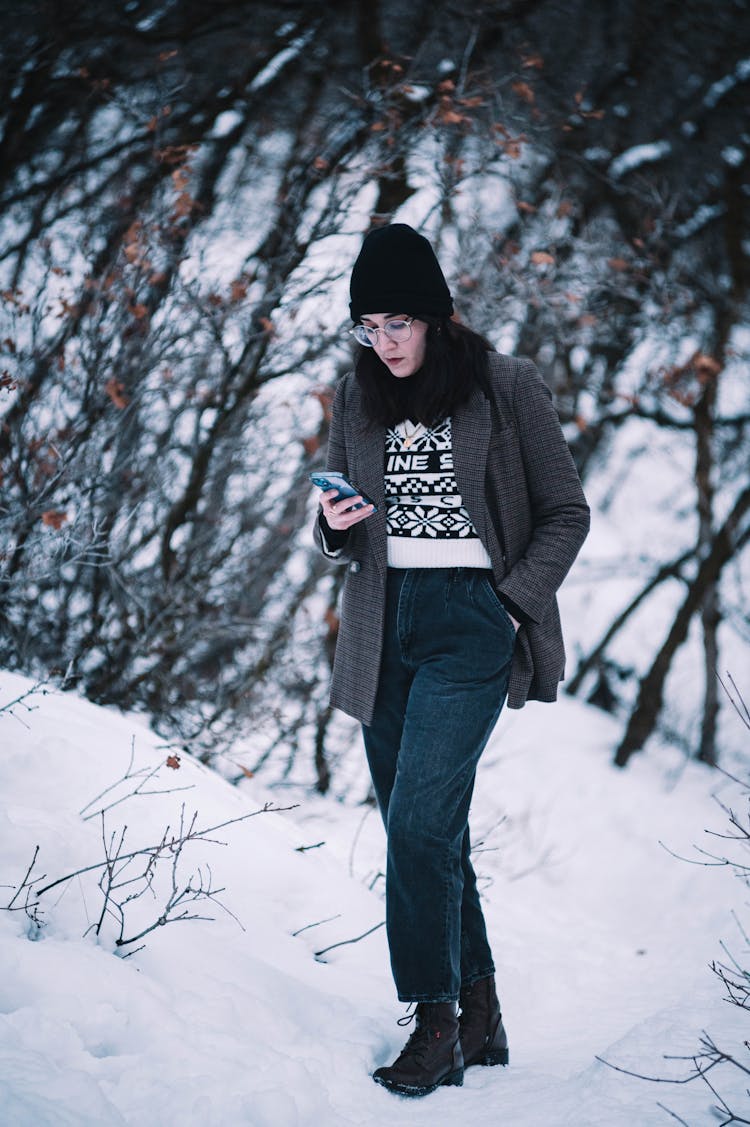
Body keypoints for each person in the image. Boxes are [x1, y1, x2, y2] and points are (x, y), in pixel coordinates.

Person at [313, 223, 590, 1098]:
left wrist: (508, 604)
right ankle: (484, 1010)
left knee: (419, 830)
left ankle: (434, 1025)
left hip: (473, 622)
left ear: (434, 317)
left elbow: (566, 513)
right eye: (369, 325)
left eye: (398, 322)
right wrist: (333, 528)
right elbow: (331, 522)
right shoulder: (355, 397)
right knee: (429, 830)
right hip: (380, 624)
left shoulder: (504, 386)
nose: (383, 341)